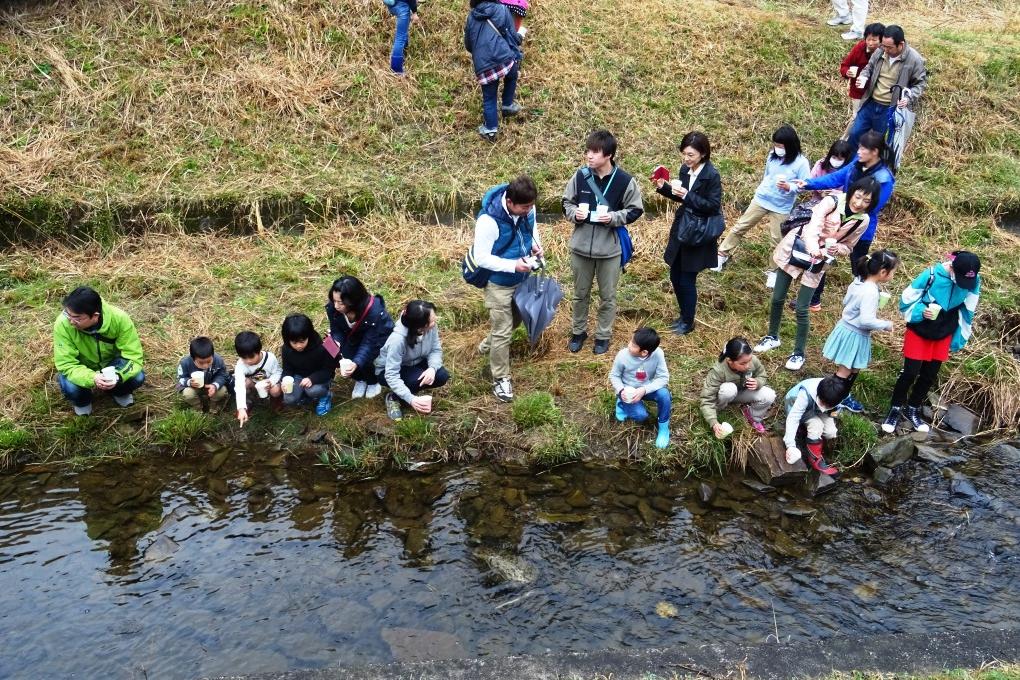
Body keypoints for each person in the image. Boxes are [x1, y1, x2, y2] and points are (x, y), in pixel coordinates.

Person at [754, 176, 877, 371]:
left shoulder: (863, 220)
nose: (859, 203)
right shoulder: (832, 201)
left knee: (802, 307)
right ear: (852, 192)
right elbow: (814, 225)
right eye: (858, 196)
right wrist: (813, 247)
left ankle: (798, 353)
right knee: (778, 297)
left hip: (819, 260)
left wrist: (839, 249)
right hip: (797, 246)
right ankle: (772, 336)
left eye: (866, 201)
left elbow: (849, 245)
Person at [562, 129, 645, 354]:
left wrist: (614, 218)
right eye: (587, 151)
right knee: (580, 294)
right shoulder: (580, 176)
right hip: (580, 248)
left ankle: (603, 335)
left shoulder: (625, 181)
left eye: (595, 152)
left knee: (607, 296)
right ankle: (578, 332)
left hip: (609, 250)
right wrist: (573, 214)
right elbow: (566, 203)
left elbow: (636, 210)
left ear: (608, 155)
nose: (589, 156)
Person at [882, 251, 981, 434]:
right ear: (952, 267)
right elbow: (905, 300)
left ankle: (913, 408)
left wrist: (959, 338)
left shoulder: (973, 280)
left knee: (929, 374)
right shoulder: (931, 275)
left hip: (945, 331)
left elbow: (968, 310)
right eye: (959, 277)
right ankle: (895, 409)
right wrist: (921, 311)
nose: (963, 284)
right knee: (910, 372)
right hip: (921, 328)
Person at [794, 130, 895, 308]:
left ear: (875, 152)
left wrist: (843, 199)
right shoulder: (857, 164)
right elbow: (835, 177)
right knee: (823, 251)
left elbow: (872, 207)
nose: (859, 151)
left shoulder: (884, 178)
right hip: (836, 220)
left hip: (858, 228)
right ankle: (813, 298)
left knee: (860, 266)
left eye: (863, 148)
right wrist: (808, 183)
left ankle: (862, 302)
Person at [473, 175, 543, 402]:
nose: (529, 210)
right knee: (503, 330)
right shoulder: (488, 221)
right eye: (525, 207)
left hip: (521, 278)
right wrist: (513, 265)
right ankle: (501, 379)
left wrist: (536, 247)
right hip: (498, 283)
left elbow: (533, 229)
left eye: (531, 206)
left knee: (517, 320)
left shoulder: (527, 209)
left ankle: (487, 345)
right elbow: (481, 258)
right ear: (510, 202)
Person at [714, 125, 811, 284]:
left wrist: (790, 187)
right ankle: (722, 255)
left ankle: (772, 271)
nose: (777, 148)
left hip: (781, 206)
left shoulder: (801, 163)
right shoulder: (772, 156)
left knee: (776, 239)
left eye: (781, 146)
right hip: (762, 199)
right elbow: (767, 175)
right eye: (776, 145)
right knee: (740, 226)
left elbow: (804, 185)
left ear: (790, 145)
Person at [654, 131, 723, 336]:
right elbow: (681, 198)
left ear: (702, 154)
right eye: (684, 154)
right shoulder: (685, 170)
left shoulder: (711, 175)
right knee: (675, 275)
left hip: (698, 232)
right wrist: (663, 188)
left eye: (691, 155)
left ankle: (688, 320)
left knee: (687, 279)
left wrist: (688, 195)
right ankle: (683, 314)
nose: (686, 159)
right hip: (683, 228)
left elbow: (712, 206)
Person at [822, 249, 899, 412]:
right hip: (855, 334)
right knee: (845, 370)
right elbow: (866, 320)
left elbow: (846, 301)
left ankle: (844, 395)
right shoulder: (870, 291)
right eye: (893, 272)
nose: (893, 276)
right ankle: (833, 400)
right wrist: (885, 324)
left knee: (853, 367)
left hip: (846, 328)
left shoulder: (858, 281)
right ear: (883, 272)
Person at [53, 286, 145, 416]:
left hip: (112, 365)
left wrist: (118, 376)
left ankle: (119, 391)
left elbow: (134, 358)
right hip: (81, 366)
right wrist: (93, 378)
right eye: (67, 314)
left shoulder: (119, 319)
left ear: (95, 316)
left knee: (137, 377)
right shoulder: (63, 324)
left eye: (77, 318)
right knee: (72, 388)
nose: (71, 321)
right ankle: (82, 401)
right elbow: (66, 364)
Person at [847, 25, 928, 151]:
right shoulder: (880, 51)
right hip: (870, 102)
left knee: (878, 143)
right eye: (883, 45)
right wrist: (863, 77)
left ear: (900, 44)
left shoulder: (914, 59)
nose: (885, 50)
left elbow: (920, 84)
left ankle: (872, 168)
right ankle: (850, 166)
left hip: (890, 108)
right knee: (854, 134)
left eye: (889, 47)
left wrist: (908, 97)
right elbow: (869, 68)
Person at [377, 300, 451, 420]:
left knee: (441, 375)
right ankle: (394, 397)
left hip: (416, 361)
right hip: (388, 371)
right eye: (432, 320)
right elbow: (391, 374)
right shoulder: (398, 340)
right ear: (420, 327)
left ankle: (405, 391)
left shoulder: (431, 327)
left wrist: (432, 368)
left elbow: (435, 350)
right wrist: (411, 399)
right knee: (415, 380)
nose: (435, 320)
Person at [325, 276, 395, 400]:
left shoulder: (373, 312)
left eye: (340, 302)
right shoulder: (333, 308)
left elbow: (369, 343)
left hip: (377, 337)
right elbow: (337, 329)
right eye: (333, 300)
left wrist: (357, 362)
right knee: (336, 351)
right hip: (353, 336)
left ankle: (373, 381)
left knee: (364, 357)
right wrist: (336, 341)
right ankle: (360, 379)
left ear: (353, 300)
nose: (335, 306)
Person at [464, 0, 524, 142]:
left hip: (483, 64)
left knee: (489, 98)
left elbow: (468, 44)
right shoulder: (501, 9)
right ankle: (507, 104)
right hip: (503, 56)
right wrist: (520, 36)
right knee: (512, 72)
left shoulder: (471, 17)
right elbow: (511, 35)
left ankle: (491, 130)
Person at [609, 327, 671, 449]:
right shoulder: (622, 355)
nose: (629, 345)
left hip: (645, 388)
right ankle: (621, 402)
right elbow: (614, 376)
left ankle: (664, 429)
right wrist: (621, 391)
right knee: (641, 416)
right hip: (627, 391)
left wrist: (644, 390)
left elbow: (663, 377)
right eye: (631, 341)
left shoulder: (658, 354)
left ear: (644, 352)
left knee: (664, 395)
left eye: (633, 345)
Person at [700, 337, 776, 437]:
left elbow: (762, 374)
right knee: (729, 390)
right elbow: (706, 399)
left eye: (749, 360)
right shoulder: (718, 371)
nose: (748, 365)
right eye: (743, 363)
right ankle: (719, 410)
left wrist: (758, 382)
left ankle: (752, 416)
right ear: (729, 361)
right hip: (723, 395)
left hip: (742, 393)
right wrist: (713, 422)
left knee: (769, 395)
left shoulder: (752, 360)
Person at [783, 375, 848, 475]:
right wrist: (790, 445)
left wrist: (832, 412)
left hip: (818, 410)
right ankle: (815, 460)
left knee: (831, 432)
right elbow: (793, 418)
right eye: (823, 402)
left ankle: (814, 441)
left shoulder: (840, 395)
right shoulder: (805, 393)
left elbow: (835, 411)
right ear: (818, 394)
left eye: (828, 405)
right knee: (816, 425)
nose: (824, 406)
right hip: (796, 405)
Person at [281, 314, 336, 416]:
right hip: (299, 376)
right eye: (294, 342)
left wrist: (312, 379)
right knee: (289, 398)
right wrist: (285, 379)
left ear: (309, 336)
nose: (298, 346)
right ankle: (305, 396)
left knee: (312, 390)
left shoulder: (324, 345)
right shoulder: (286, 349)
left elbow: (329, 370)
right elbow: (287, 369)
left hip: (319, 376)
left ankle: (326, 395)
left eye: (302, 341)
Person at [839, 23, 885, 138]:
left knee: (871, 119)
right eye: (868, 39)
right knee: (856, 116)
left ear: (881, 40)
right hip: (859, 91)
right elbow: (844, 65)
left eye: (874, 40)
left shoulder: (885, 52)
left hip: (876, 93)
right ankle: (845, 140)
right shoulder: (859, 48)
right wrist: (847, 72)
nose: (870, 43)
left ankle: (864, 142)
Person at [233, 331, 282, 427]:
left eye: (251, 357)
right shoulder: (240, 365)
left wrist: (271, 382)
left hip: (269, 385)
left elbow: (278, 372)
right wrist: (241, 407)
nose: (248, 361)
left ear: (259, 350)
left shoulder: (270, 358)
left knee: (275, 390)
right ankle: (248, 401)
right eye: (244, 357)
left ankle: (276, 401)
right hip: (254, 385)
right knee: (244, 383)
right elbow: (239, 386)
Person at [176, 336, 231, 411]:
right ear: (193, 358)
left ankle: (213, 405)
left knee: (222, 390)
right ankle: (198, 408)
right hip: (194, 387)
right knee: (188, 394)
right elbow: (181, 378)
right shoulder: (185, 363)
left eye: (209, 362)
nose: (205, 365)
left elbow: (222, 374)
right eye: (201, 363)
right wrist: (189, 382)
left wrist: (215, 385)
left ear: (212, 355)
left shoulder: (218, 360)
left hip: (211, 385)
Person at [384, 0, 419, 76]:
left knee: (402, 33)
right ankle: (396, 69)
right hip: (402, 7)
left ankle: (402, 56)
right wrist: (414, 12)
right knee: (400, 38)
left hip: (392, 5)